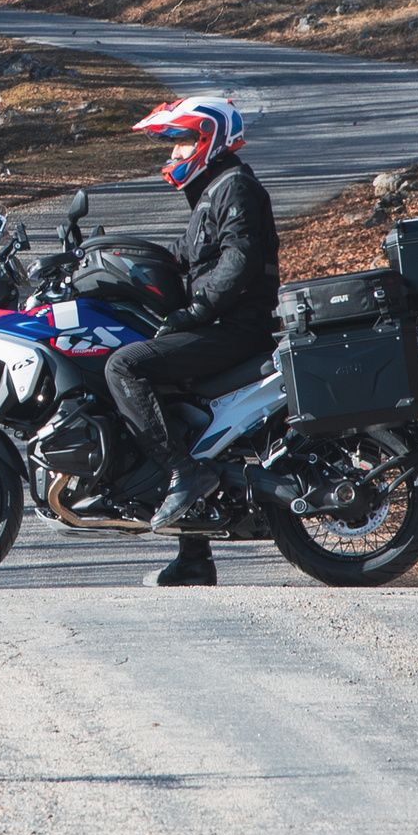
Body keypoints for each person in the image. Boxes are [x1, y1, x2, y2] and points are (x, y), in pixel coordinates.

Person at [110, 92, 279, 584]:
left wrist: (195, 311)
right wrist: (111, 260)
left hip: (234, 329)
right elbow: (181, 257)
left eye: (181, 141)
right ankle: (193, 557)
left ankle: (186, 474)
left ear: (209, 138)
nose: (174, 153)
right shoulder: (211, 190)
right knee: (180, 417)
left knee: (125, 366)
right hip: (219, 324)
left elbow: (239, 262)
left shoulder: (235, 187)